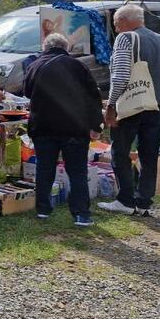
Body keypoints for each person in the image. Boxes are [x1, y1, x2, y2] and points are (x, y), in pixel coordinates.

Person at [98, 3, 160, 217]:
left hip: (133, 104)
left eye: (116, 24)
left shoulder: (125, 38)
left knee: (120, 151)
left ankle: (125, 200)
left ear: (123, 21)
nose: (116, 29)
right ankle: (144, 202)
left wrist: (111, 105)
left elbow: (121, 75)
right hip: (157, 103)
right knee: (149, 154)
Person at [23, 33, 103, 227]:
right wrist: (95, 125)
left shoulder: (35, 65)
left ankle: (43, 209)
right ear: (66, 48)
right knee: (77, 171)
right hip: (74, 127)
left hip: (43, 126)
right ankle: (81, 214)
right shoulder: (78, 66)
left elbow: (27, 92)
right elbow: (93, 97)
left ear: (45, 48)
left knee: (44, 168)